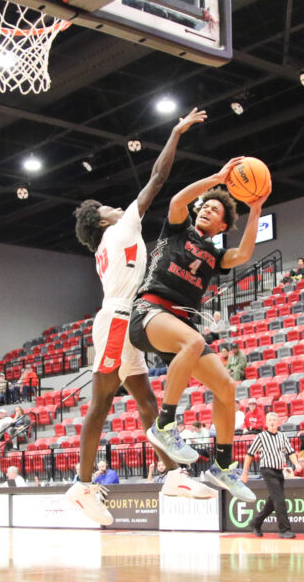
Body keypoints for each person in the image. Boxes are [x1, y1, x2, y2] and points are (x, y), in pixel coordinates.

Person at [66, 110, 213, 525]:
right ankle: (81, 485)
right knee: (100, 404)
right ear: (100, 220)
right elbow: (157, 180)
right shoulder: (121, 228)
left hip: (126, 321)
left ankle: (172, 475)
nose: (119, 206)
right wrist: (175, 133)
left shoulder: (113, 240)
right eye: (110, 207)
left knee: (147, 401)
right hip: (117, 320)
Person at [129, 156, 270, 505]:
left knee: (226, 385)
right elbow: (178, 201)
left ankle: (222, 464)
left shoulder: (216, 254)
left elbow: (246, 252)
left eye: (214, 210)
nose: (206, 209)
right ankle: (164, 424)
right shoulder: (178, 228)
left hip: (179, 324)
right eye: (204, 206)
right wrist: (218, 178)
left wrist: (255, 210)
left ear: (223, 225)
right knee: (192, 341)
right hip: (150, 311)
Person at [241, 412, 299, 539]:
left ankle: (256, 522)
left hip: (279, 471)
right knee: (280, 499)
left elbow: (291, 452)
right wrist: (245, 472)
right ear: (266, 423)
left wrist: (297, 464)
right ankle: (284, 530)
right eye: (270, 420)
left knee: (273, 501)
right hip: (267, 470)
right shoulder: (261, 437)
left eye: (274, 419)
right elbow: (249, 454)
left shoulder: (282, 436)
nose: (272, 421)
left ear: (278, 422)